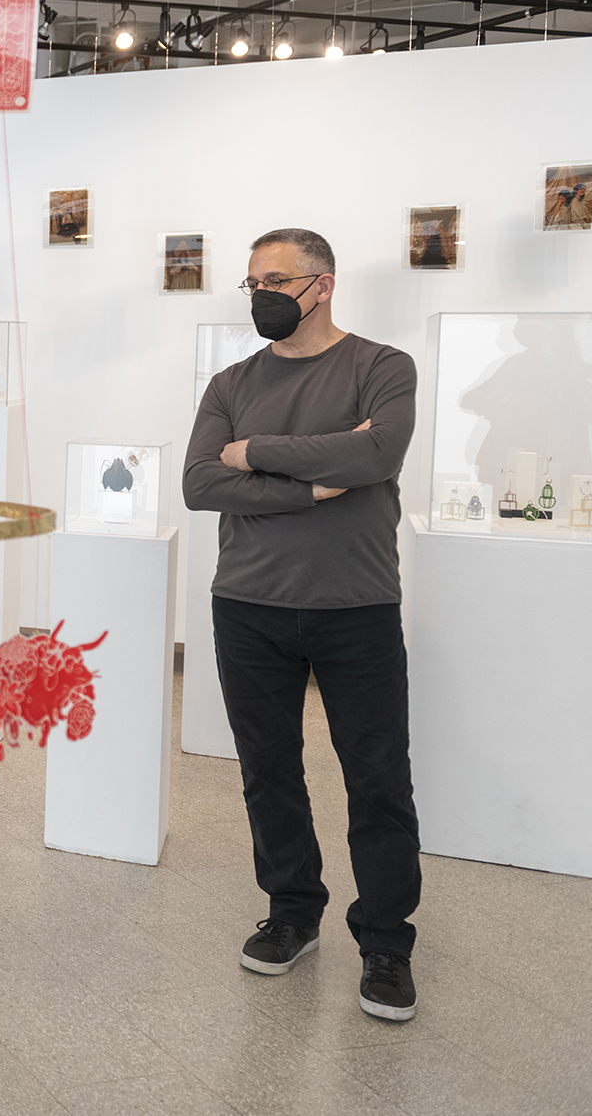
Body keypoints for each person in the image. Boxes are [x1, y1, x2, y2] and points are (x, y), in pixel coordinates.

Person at [182, 227, 422, 1024]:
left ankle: (386, 941)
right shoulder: (228, 380)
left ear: (322, 283)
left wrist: (255, 450)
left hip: (356, 606)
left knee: (378, 778)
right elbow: (198, 481)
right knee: (268, 768)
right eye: (252, 282)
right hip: (248, 604)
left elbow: (377, 455)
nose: (262, 295)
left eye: (276, 279)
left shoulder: (382, 367)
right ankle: (292, 910)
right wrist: (306, 483)